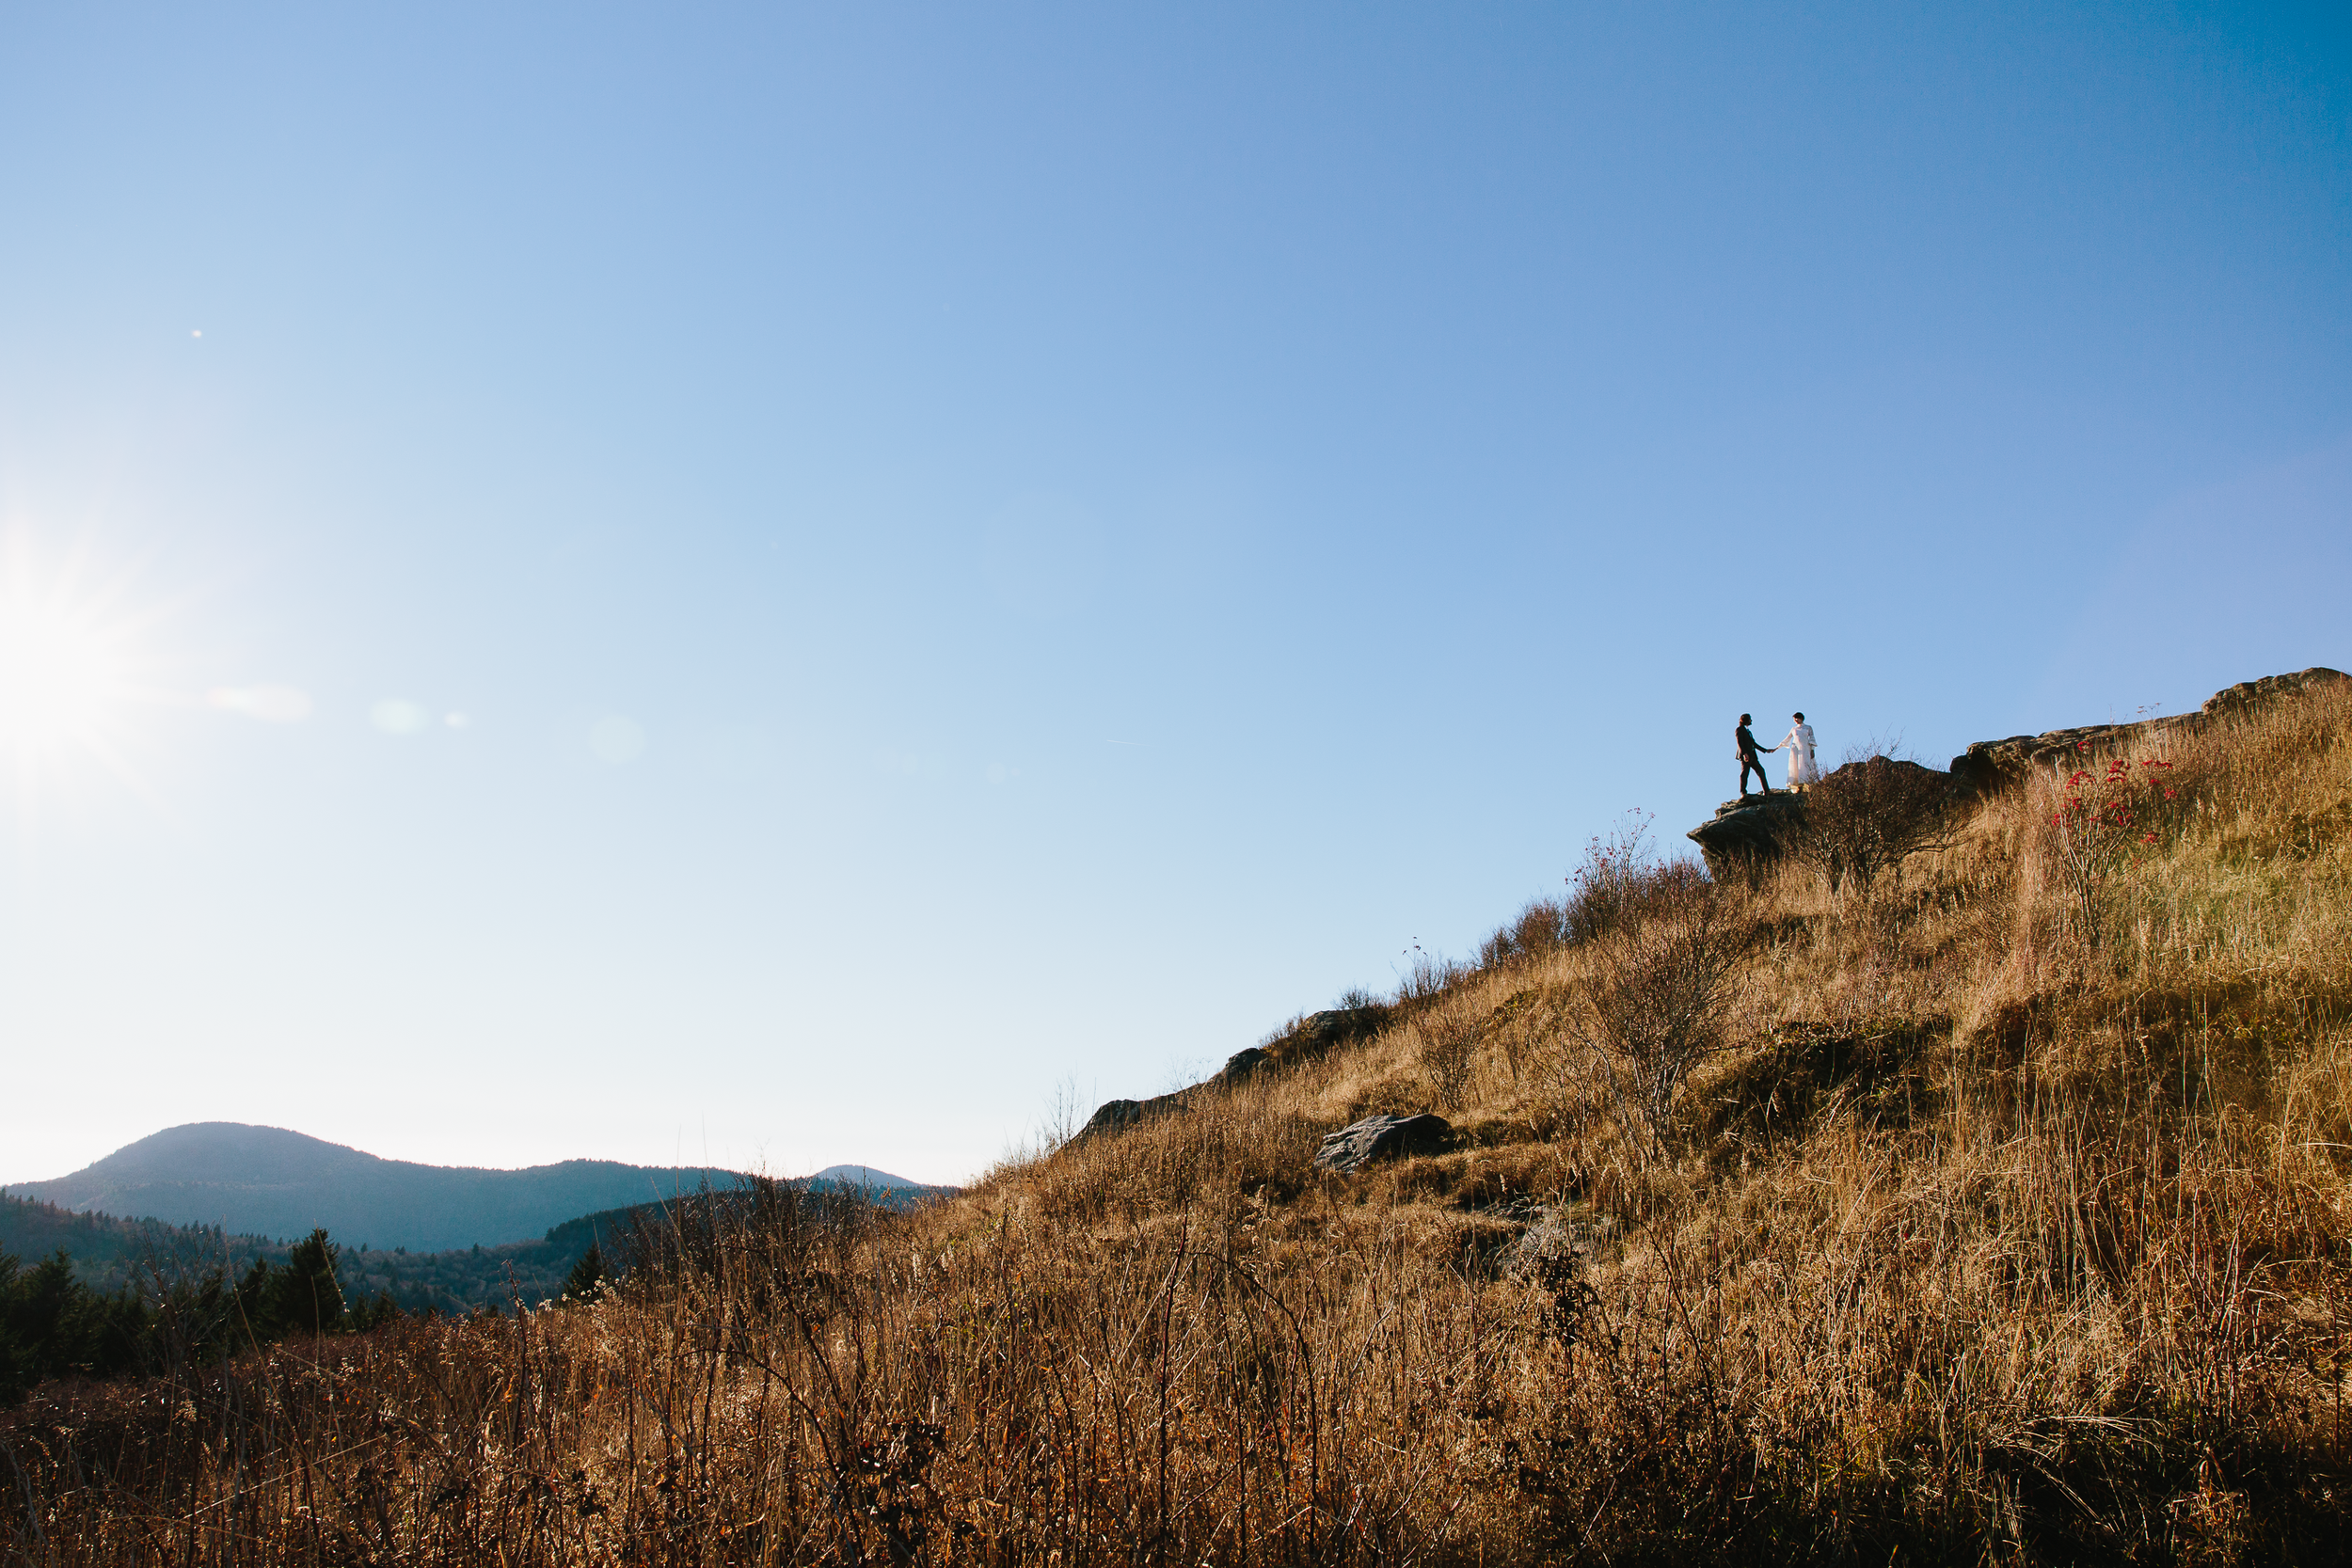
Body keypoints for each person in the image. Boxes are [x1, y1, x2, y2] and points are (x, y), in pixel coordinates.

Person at [1735, 714, 1775, 798]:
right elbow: (1740, 743)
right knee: (1745, 773)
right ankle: (1743, 792)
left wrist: (1765, 750)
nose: (1751, 721)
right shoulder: (1739, 730)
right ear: (1745, 720)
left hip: (1752, 756)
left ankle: (1767, 791)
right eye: (1750, 719)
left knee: (1761, 771)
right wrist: (1744, 754)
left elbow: (1753, 743)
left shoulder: (1748, 731)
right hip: (1746, 756)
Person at [1780, 712, 1819, 790]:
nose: (1795, 720)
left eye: (1797, 718)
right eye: (1794, 719)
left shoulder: (1808, 727)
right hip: (1795, 748)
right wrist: (1777, 747)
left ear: (1801, 718)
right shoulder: (1794, 729)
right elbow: (1787, 739)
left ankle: (1806, 781)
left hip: (1805, 747)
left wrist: (1812, 750)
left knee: (1805, 763)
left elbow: (1812, 739)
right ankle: (1798, 783)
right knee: (1796, 764)